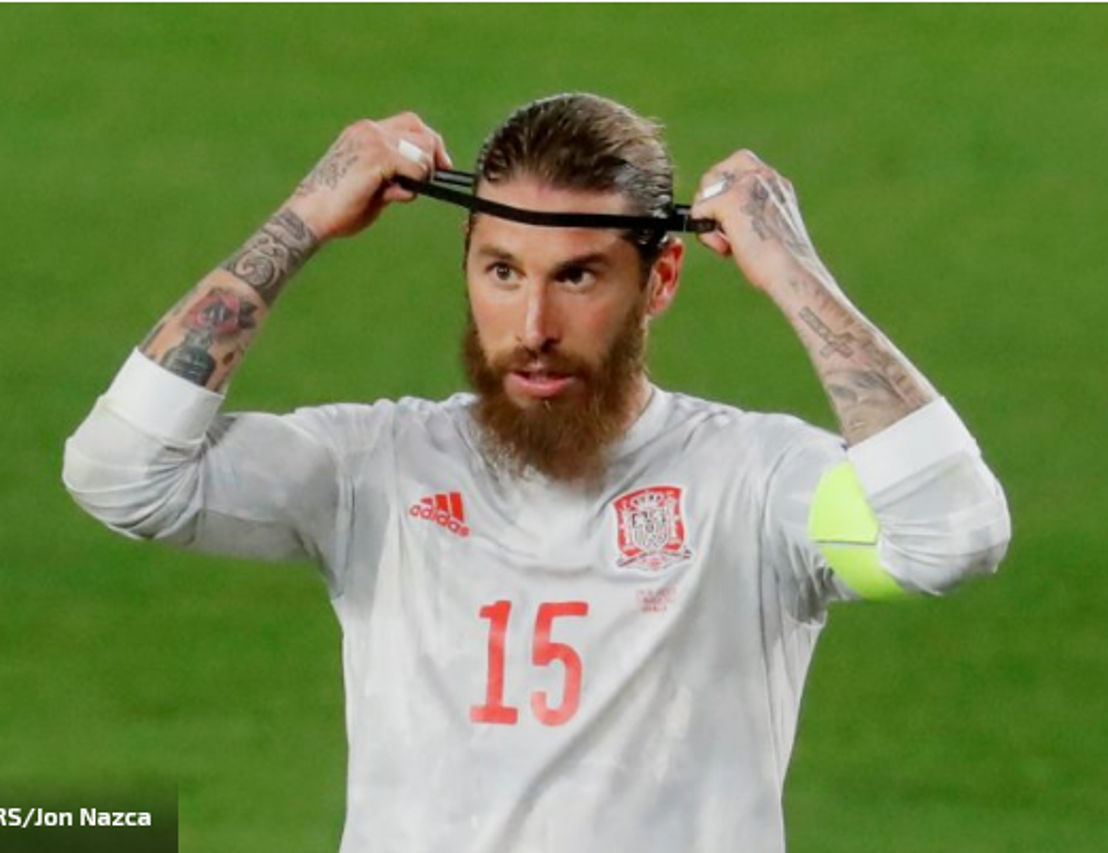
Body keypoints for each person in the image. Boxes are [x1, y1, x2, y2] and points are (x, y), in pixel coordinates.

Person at [63, 93, 1010, 852]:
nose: (534, 329)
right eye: (503, 271)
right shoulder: (377, 469)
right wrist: (304, 217)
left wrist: (790, 270)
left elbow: (953, 533)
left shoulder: (752, 483)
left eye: (579, 276)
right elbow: (122, 474)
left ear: (661, 279)